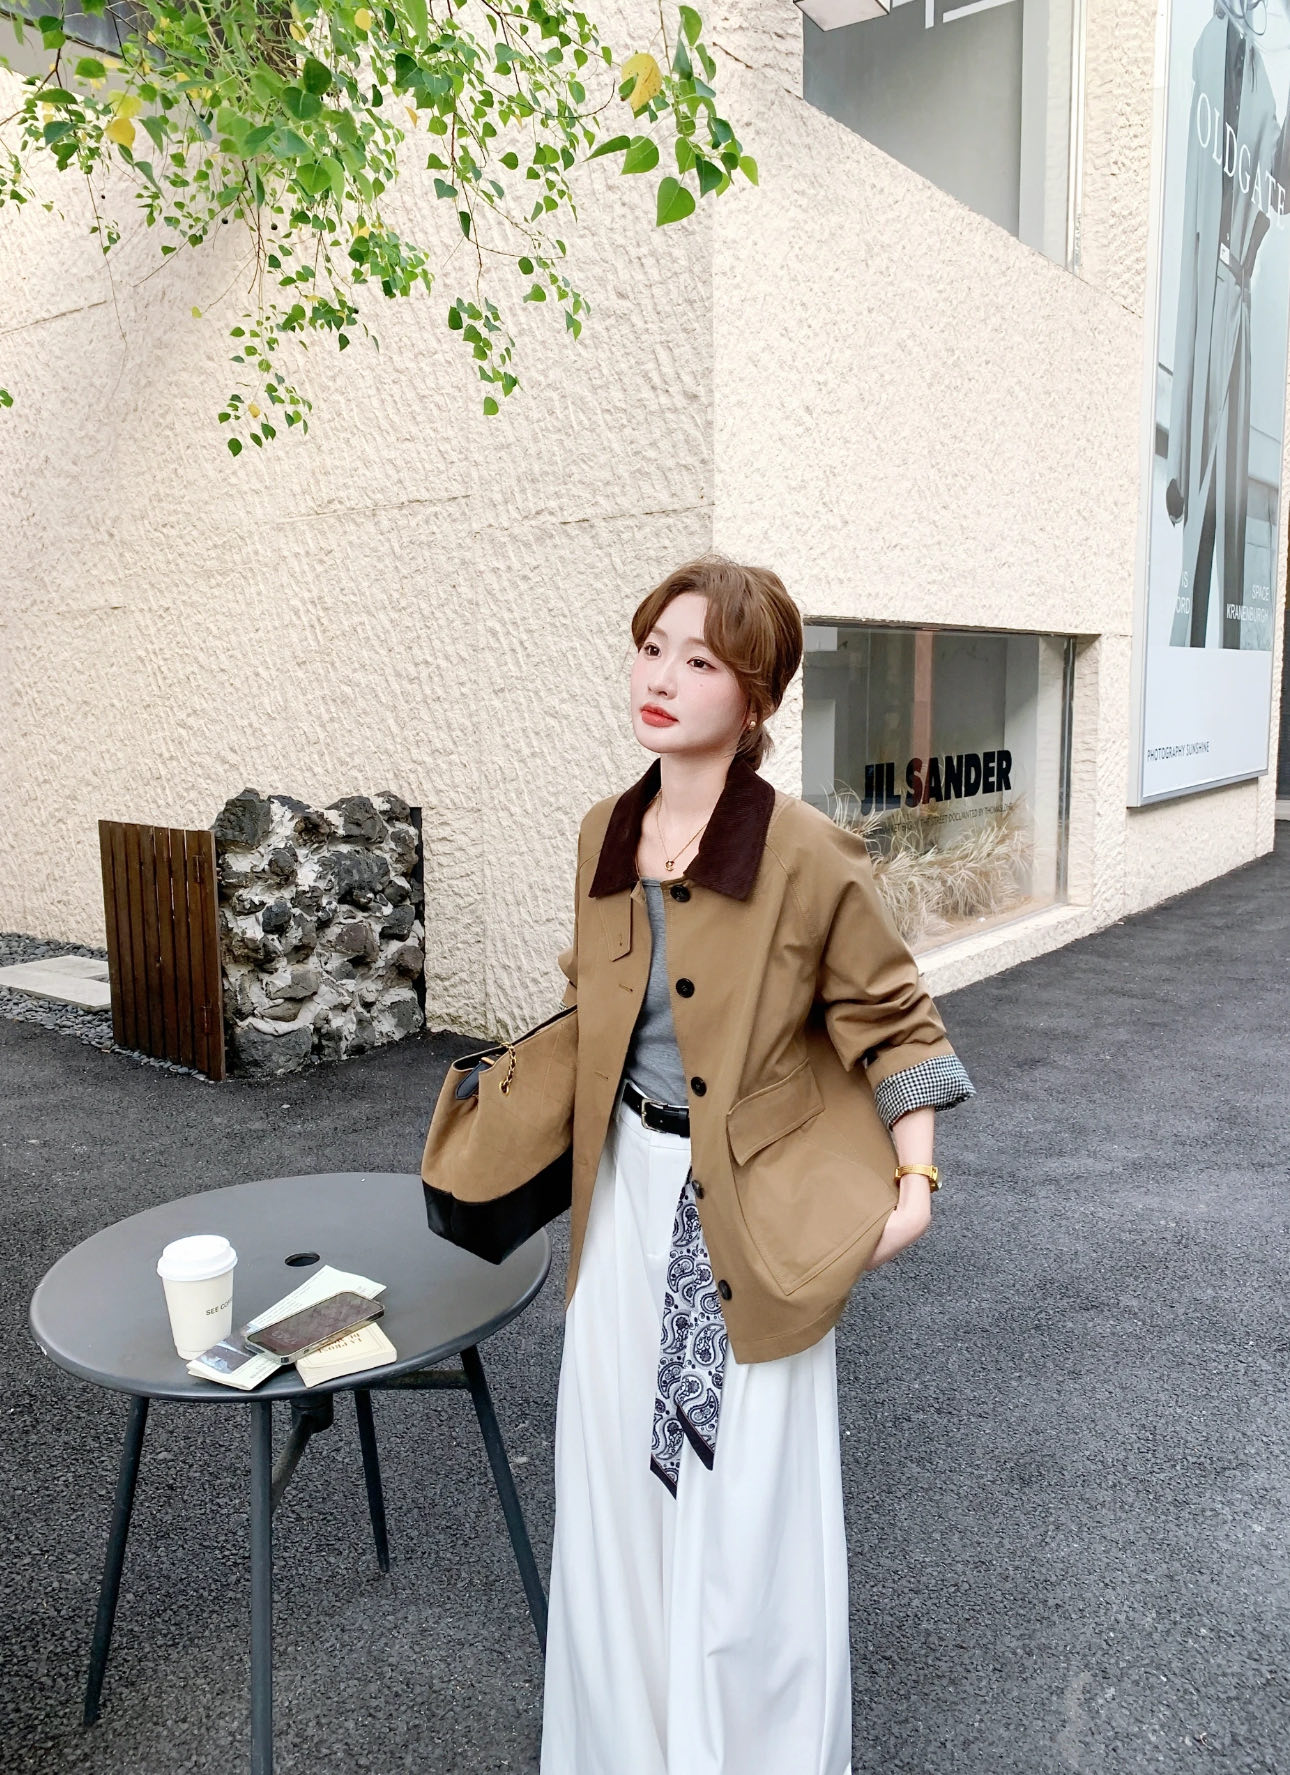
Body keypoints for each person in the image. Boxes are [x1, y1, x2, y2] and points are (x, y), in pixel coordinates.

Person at [538, 557, 975, 1775]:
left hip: (752, 1211)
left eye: (701, 660)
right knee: (616, 1489)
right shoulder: (603, 831)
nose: (662, 677)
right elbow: (592, 1002)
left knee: (741, 1517)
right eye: (652, 648)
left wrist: (916, 1188)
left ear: (758, 696)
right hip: (621, 1196)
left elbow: (897, 1019)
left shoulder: (807, 850)